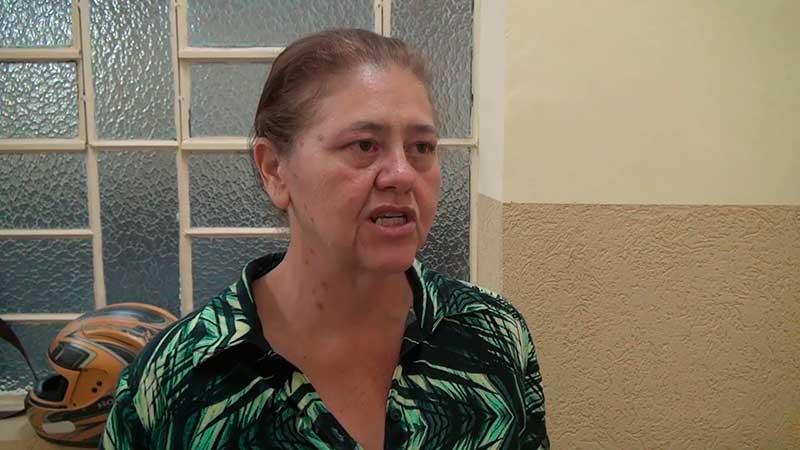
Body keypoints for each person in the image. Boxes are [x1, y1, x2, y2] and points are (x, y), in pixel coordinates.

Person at [101, 29, 548, 450]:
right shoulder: (176, 379)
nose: (402, 174)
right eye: (365, 145)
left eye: (421, 147)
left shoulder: (492, 335)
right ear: (274, 169)